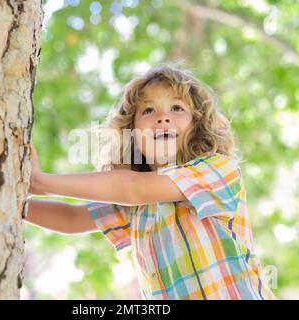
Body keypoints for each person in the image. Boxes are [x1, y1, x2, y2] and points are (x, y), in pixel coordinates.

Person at [25, 63, 276, 300]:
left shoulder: (218, 169)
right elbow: (72, 218)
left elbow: (132, 187)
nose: (163, 118)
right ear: (131, 133)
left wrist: (40, 182)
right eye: (148, 110)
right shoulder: (142, 206)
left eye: (177, 108)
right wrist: (15, 200)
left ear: (197, 125)